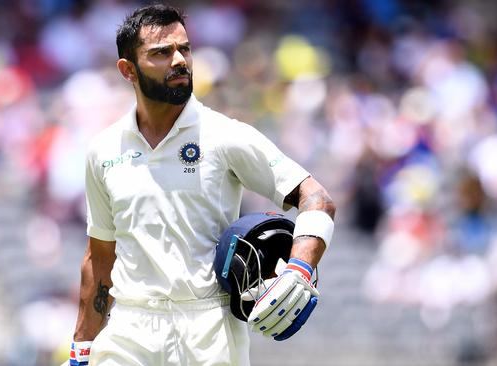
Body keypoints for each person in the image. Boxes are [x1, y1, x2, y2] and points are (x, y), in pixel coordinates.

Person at [65, 4, 336, 366]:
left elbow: (316, 198)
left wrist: (299, 268)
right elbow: (100, 259)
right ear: (127, 70)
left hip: (210, 330)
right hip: (129, 328)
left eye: (185, 49)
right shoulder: (103, 150)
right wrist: (81, 351)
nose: (179, 60)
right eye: (161, 53)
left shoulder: (225, 135)